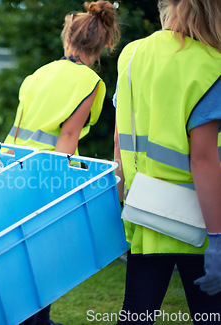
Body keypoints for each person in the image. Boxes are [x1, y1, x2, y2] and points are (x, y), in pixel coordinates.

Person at [4, 1, 121, 324]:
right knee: (43, 256)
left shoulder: (39, 73)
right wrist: (59, 191)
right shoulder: (90, 83)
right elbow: (68, 138)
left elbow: (19, 128)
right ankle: (38, 320)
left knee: (18, 255)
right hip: (45, 175)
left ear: (67, 37)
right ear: (103, 44)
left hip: (11, 170)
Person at [113, 0, 221, 324]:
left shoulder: (131, 54)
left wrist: (118, 202)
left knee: (137, 313)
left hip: (145, 210)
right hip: (199, 219)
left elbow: (119, 139)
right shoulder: (212, 64)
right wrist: (217, 238)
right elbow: (203, 159)